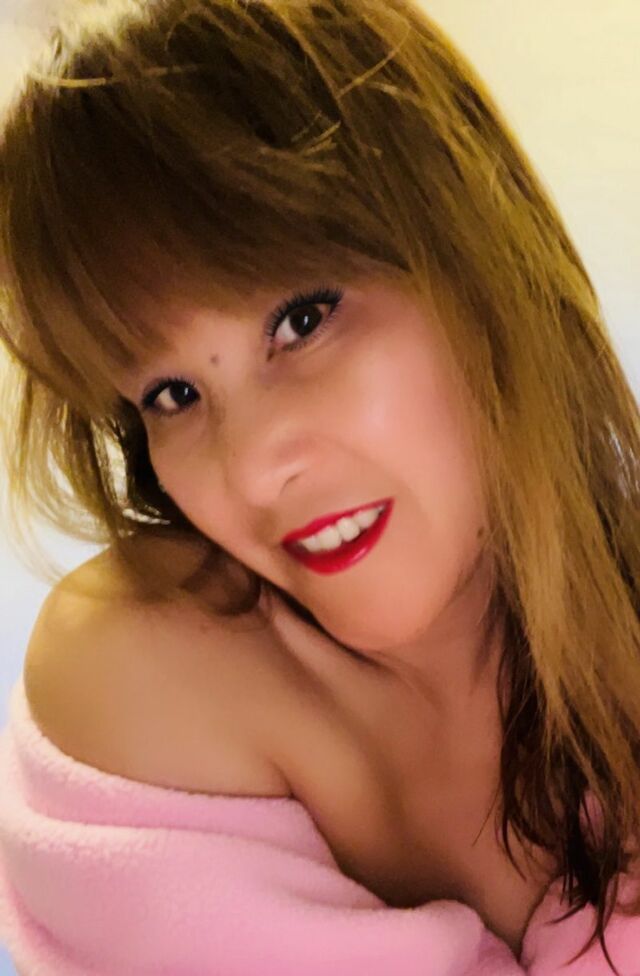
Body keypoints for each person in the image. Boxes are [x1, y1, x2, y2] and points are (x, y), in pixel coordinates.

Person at [0, 0, 638, 973]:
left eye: (302, 319)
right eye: (172, 395)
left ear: (478, 258)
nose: (254, 470)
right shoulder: (144, 672)